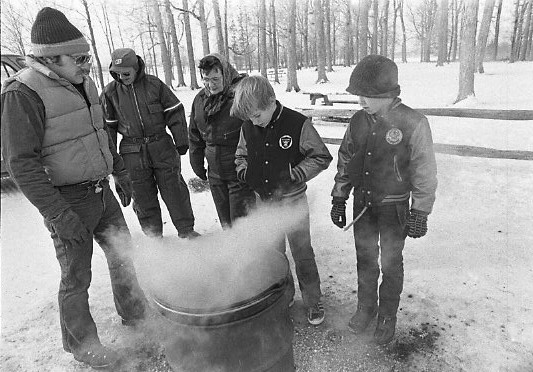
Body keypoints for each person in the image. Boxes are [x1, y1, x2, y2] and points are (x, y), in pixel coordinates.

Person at [1, 8, 147, 369]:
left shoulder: (84, 82)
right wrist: (57, 213)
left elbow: (100, 133)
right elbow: (21, 163)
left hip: (100, 190)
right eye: (79, 57)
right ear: (51, 58)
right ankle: (83, 345)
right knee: (76, 276)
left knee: (123, 255)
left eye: (87, 57)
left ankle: (136, 315)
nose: (87, 64)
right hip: (68, 199)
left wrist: (119, 172)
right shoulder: (23, 93)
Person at [330, 55, 438, 345]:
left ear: (387, 94)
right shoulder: (357, 120)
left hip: (394, 208)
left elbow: (424, 171)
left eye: (366, 95)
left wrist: (421, 211)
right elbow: (345, 159)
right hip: (363, 205)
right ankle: (366, 307)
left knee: (391, 263)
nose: (360, 101)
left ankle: (387, 315)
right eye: (358, 95)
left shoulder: (413, 122)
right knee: (365, 259)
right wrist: (339, 197)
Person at [231, 76, 333, 326]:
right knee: (273, 254)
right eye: (250, 118)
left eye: (256, 116)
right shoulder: (248, 126)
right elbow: (240, 156)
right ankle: (282, 296)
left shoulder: (297, 124)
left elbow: (321, 156)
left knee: (302, 252)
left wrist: (295, 174)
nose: (254, 121)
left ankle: (313, 300)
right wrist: (244, 172)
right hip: (265, 204)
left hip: (293, 203)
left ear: (270, 102)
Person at [101, 48, 199, 239]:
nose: (122, 77)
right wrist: (111, 158)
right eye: (117, 74)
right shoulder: (110, 92)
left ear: (137, 68)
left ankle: (186, 230)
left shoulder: (154, 84)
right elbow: (108, 127)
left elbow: (175, 110)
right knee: (142, 195)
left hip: (161, 145)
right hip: (131, 150)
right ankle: (153, 236)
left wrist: (181, 140)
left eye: (126, 73)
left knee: (174, 190)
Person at [188, 53, 256, 229]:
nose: (211, 85)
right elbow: (195, 135)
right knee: (226, 221)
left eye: (215, 79)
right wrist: (196, 162)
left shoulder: (242, 96)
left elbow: (259, 130)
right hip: (215, 173)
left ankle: (252, 255)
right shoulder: (200, 99)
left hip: (239, 172)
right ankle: (233, 253)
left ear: (226, 74)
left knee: (242, 223)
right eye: (206, 79)